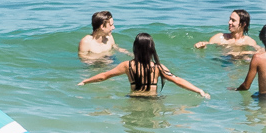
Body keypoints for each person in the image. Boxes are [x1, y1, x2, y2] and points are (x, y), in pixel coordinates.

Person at [80, 32, 210, 99]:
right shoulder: (158, 68)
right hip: (153, 100)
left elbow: (104, 75)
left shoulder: (127, 65)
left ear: (135, 48)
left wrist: (85, 81)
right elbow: (178, 80)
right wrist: (199, 90)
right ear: (151, 48)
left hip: (134, 99)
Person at [235, 24, 266, 97]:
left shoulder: (257, 58)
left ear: (261, 38)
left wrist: (236, 89)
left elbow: (246, 86)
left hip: (265, 99)